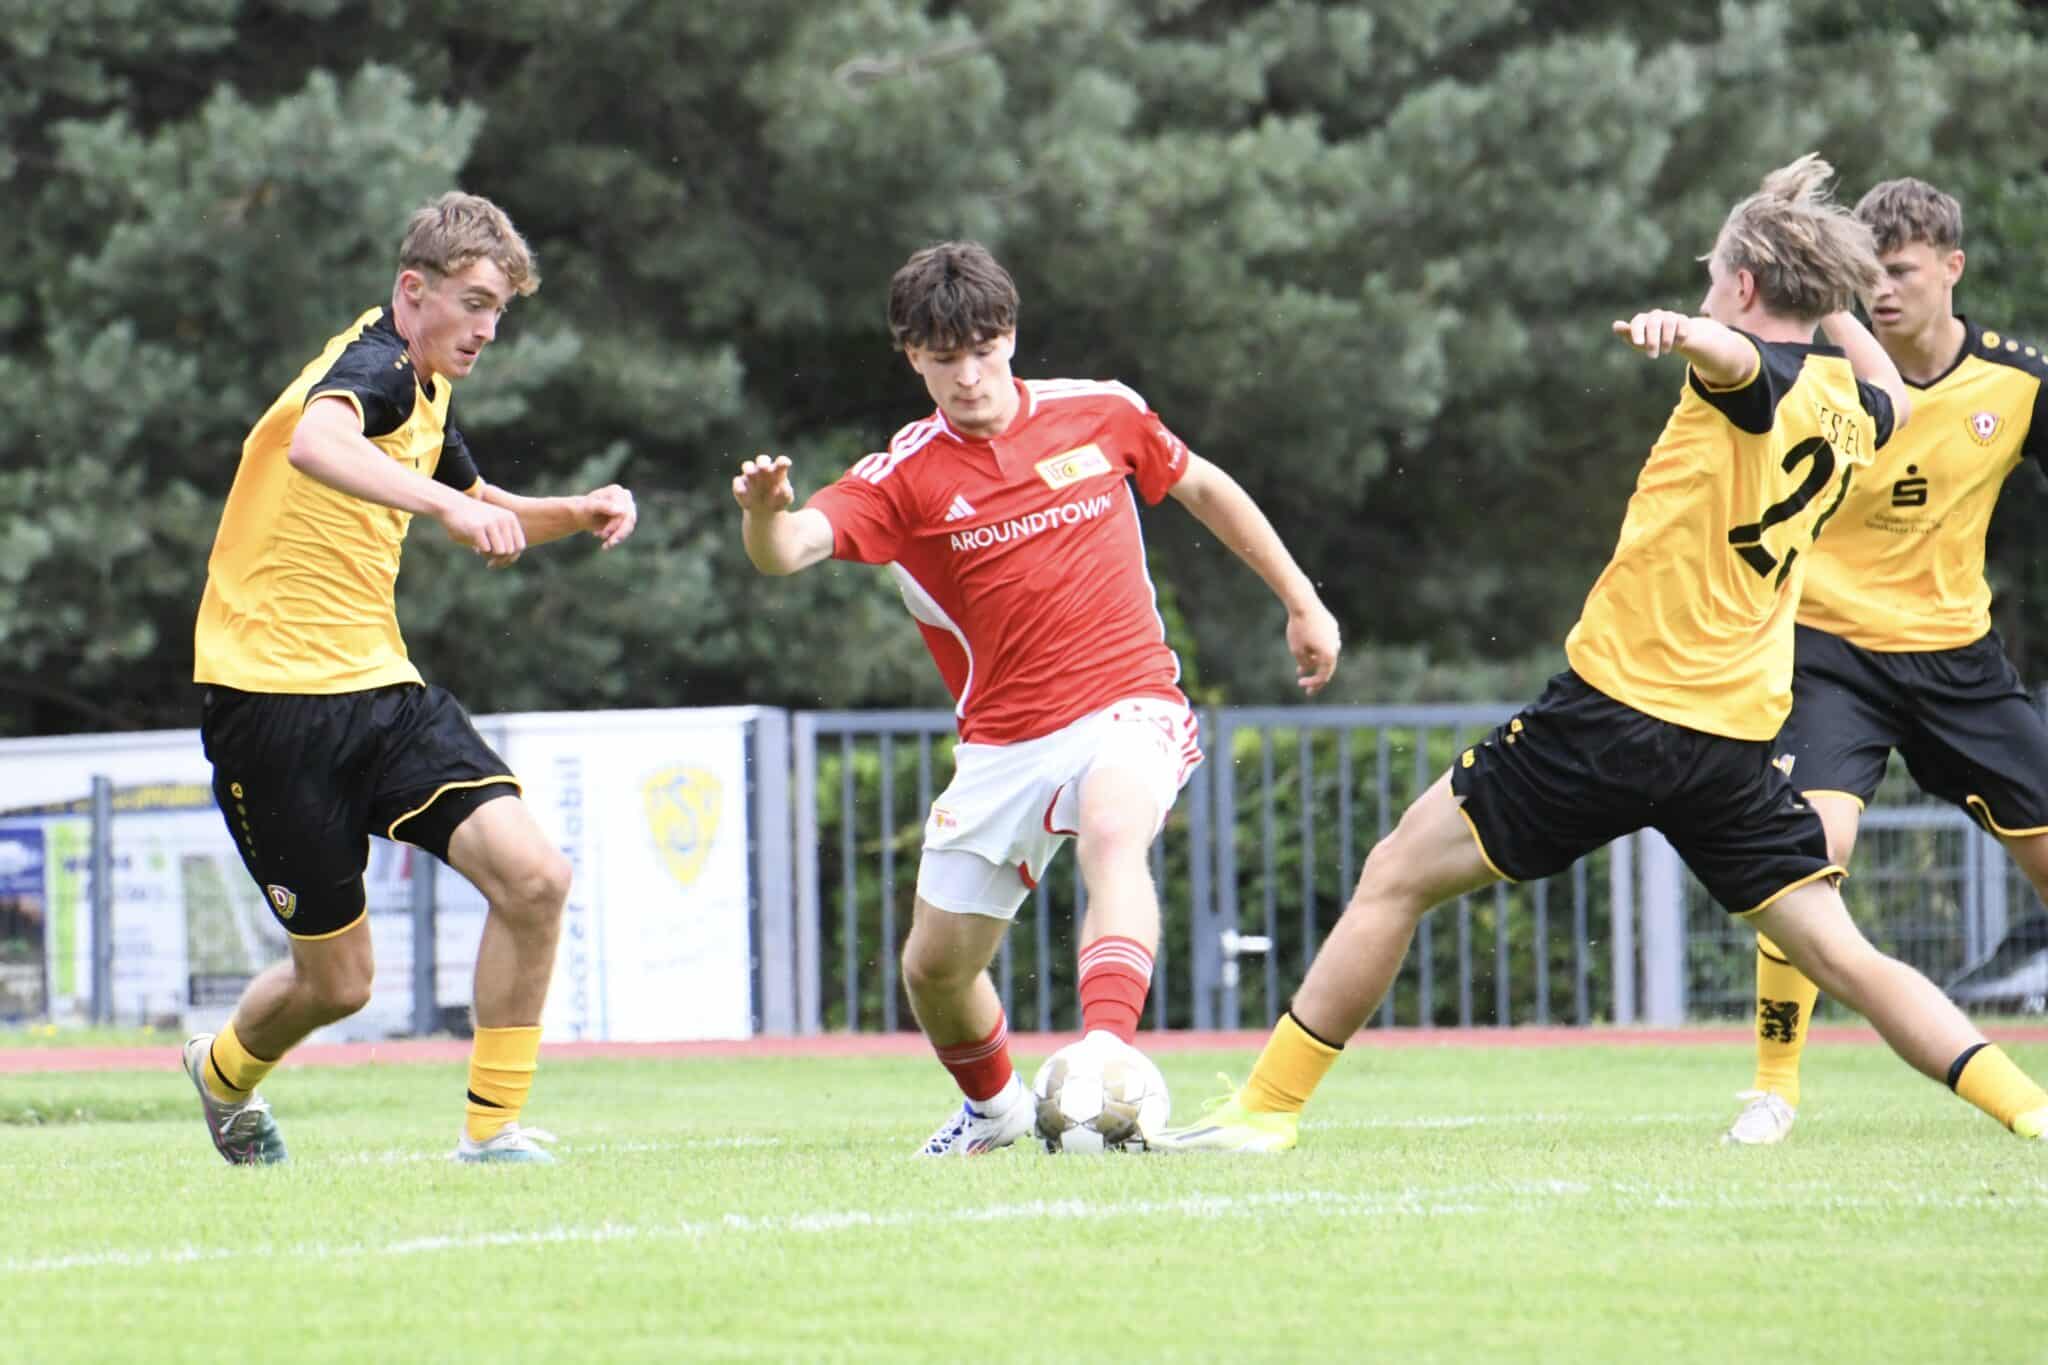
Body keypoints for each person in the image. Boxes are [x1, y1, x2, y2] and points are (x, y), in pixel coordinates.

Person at [1156, 154, 2048, 1153]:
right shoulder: (1862, 407)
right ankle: (2027, 1108)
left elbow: (1735, 361)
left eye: (1713, 272)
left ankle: (1266, 1110)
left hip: (1612, 718)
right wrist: (1820, 291)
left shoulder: (1740, 374)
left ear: (1743, 289)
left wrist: (1688, 329)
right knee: (1842, 955)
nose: (1703, 284)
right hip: (1730, 747)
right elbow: (1868, 372)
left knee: (1395, 873)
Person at [732, 240, 1341, 1155]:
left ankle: (1105, 1055)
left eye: (984, 351)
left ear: (1011, 336)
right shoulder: (902, 478)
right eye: (945, 361)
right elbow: (789, 552)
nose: (969, 377)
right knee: (935, 969)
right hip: (1004, 746)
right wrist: (763, 514)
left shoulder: (1102, 413)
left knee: (1112, 828)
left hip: (1130, 702)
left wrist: (1302, 600)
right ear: (913, 357)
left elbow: (1206, 486)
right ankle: (995, 1109)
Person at [183, 191, 637, 1165]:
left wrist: (581, 507)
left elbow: (489, 506)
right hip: (268, 703)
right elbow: (318, 440)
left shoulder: (426, 388)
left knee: (533, 878)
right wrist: (445, 512)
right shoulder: (376, 367)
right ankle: (220, 1075)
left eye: (498, 311)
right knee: (338, 983)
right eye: (471, 301)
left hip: (379, 690)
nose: (484, 328)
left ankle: (492, 1132)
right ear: (411, 290)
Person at [1726, 177, 2048, 1143]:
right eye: (1870, 277)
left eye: (1902, 272)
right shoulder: (1818, 370)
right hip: (1829, 656)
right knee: (1807, 857)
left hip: (1959, 662)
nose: (1884, 293)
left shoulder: (2020, 383)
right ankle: (1773, 1088)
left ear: (1952, 267)